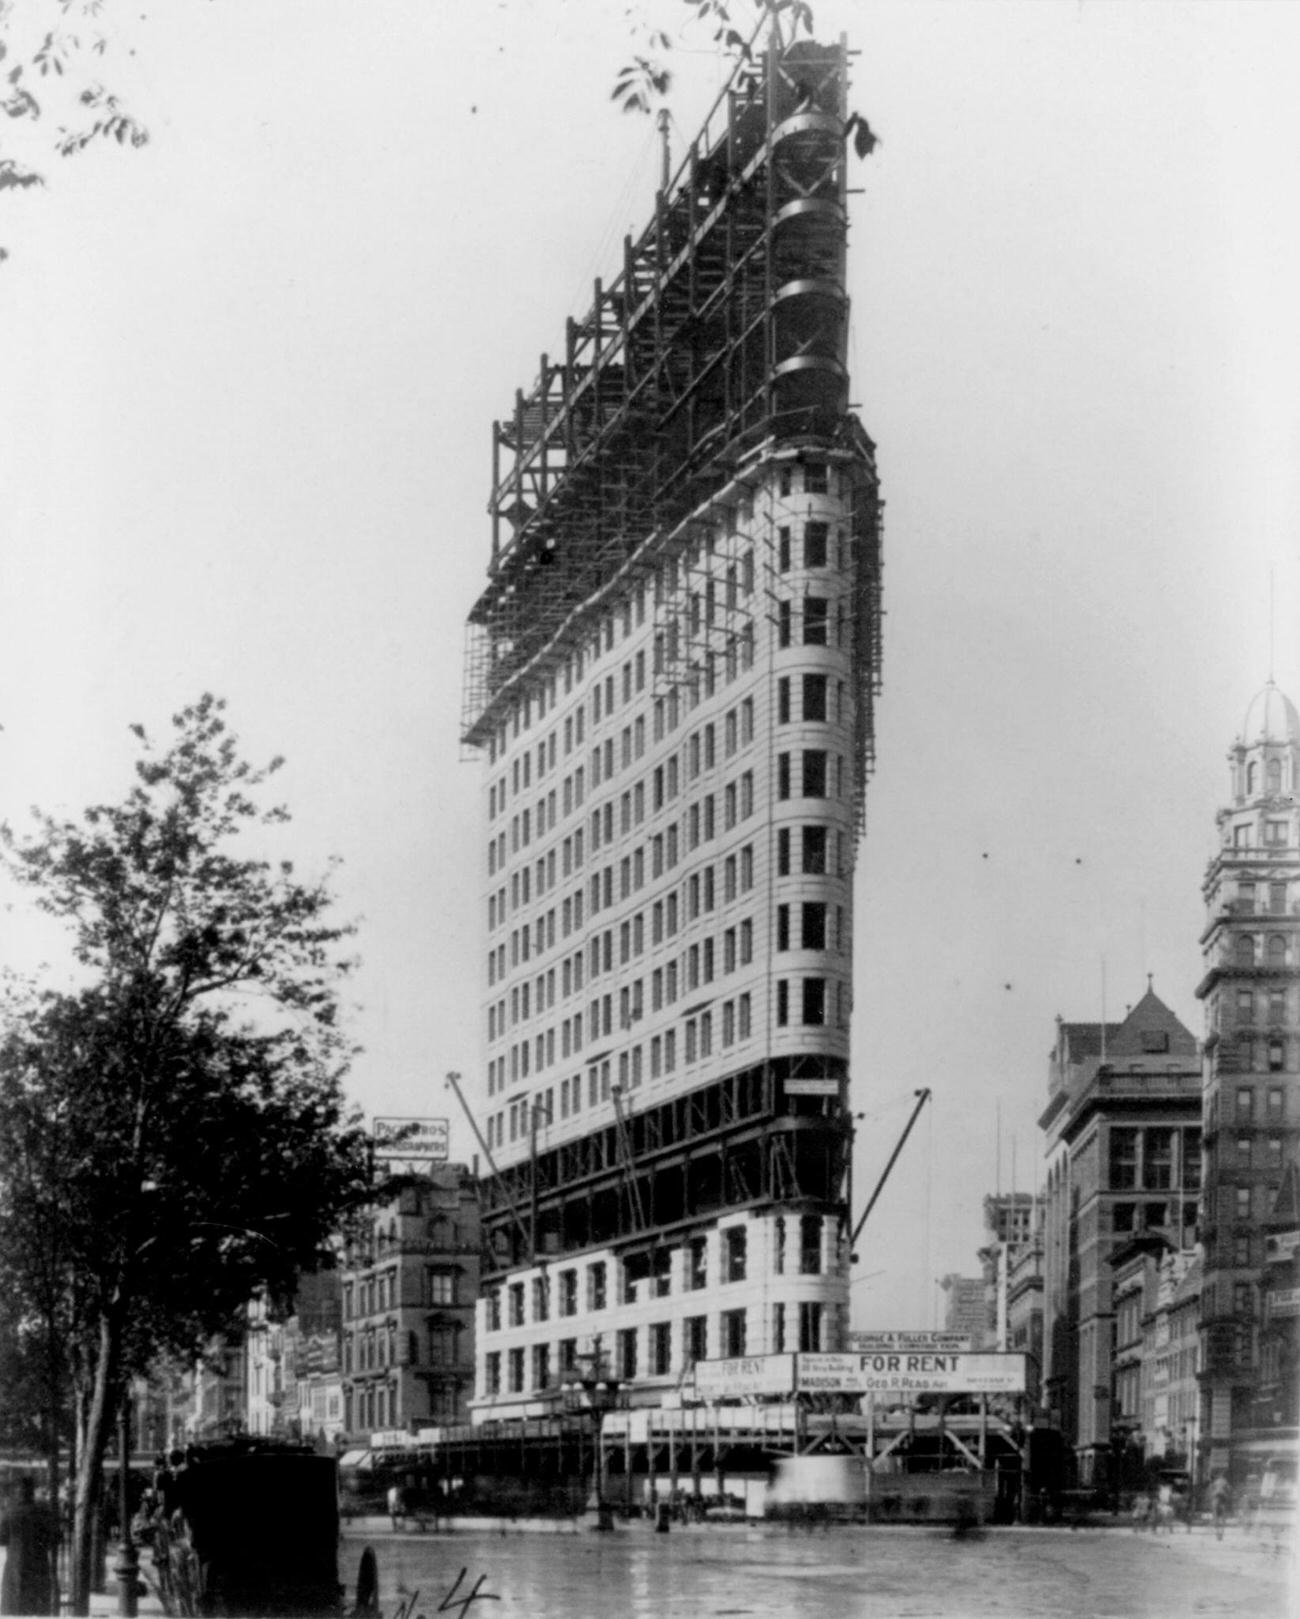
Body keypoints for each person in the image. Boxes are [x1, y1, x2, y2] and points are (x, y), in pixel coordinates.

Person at [0, 1477, 58, 1617]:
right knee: (38, 1605)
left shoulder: (9, 1513)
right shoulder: (44, 1513)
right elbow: (54, 1539)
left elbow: (1, 1539)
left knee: (16, 1605)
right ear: (32, 1492)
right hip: (39, 1565)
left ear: (18, 1492)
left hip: (16, 1565)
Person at [1209, 1473, 1230, 1540]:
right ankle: (1221, 1534)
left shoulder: (1215, 1482)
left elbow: (1211, 1491)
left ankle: (1217, 1533)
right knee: (1223, 1518)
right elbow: (1229, 1490)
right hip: (1223, 1501)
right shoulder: (1225, 1482)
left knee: (1216, 1517)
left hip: (1215, 1500)